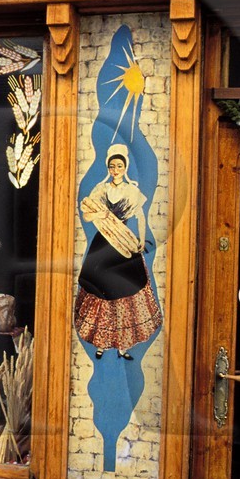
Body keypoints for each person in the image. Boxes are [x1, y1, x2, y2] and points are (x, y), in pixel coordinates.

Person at [74, 145, 162, 360]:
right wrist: (99, 216)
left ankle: (123, 346)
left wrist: (141, 240)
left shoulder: (131, 191)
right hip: (103, 245)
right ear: (108, 167)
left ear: (125, 167)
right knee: (101, 293)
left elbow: (141, 217)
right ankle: (101, 343)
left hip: (124, 245)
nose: (115, 169)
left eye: (119, 166)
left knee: (124, 294)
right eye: (112, 166)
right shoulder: (101, 190)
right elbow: (87, 216)